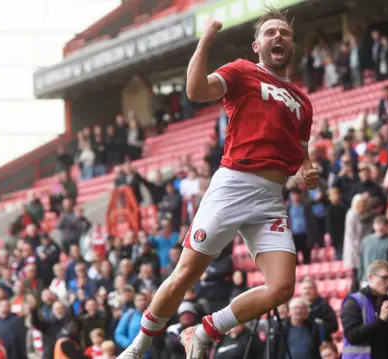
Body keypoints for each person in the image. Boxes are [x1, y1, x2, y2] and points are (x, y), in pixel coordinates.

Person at [117, 9, 318, 359]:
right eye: (270, 32)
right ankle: (138, 348)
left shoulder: (303, 102)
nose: (278, 37)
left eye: (284, 32)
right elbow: (195, 90)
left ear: (292, 45)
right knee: (186, 274)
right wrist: (206, 39)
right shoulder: (243, 70)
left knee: (283, 287)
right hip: (233, 185)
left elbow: (302, 157)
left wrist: (307, 172)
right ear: (257, 45)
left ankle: (204, 330)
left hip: (271, 197)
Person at [339, 260, 388, 358]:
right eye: (384, 278)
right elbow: (352, 336)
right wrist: (381, 320)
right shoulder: (354, 301)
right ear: (371, 277)